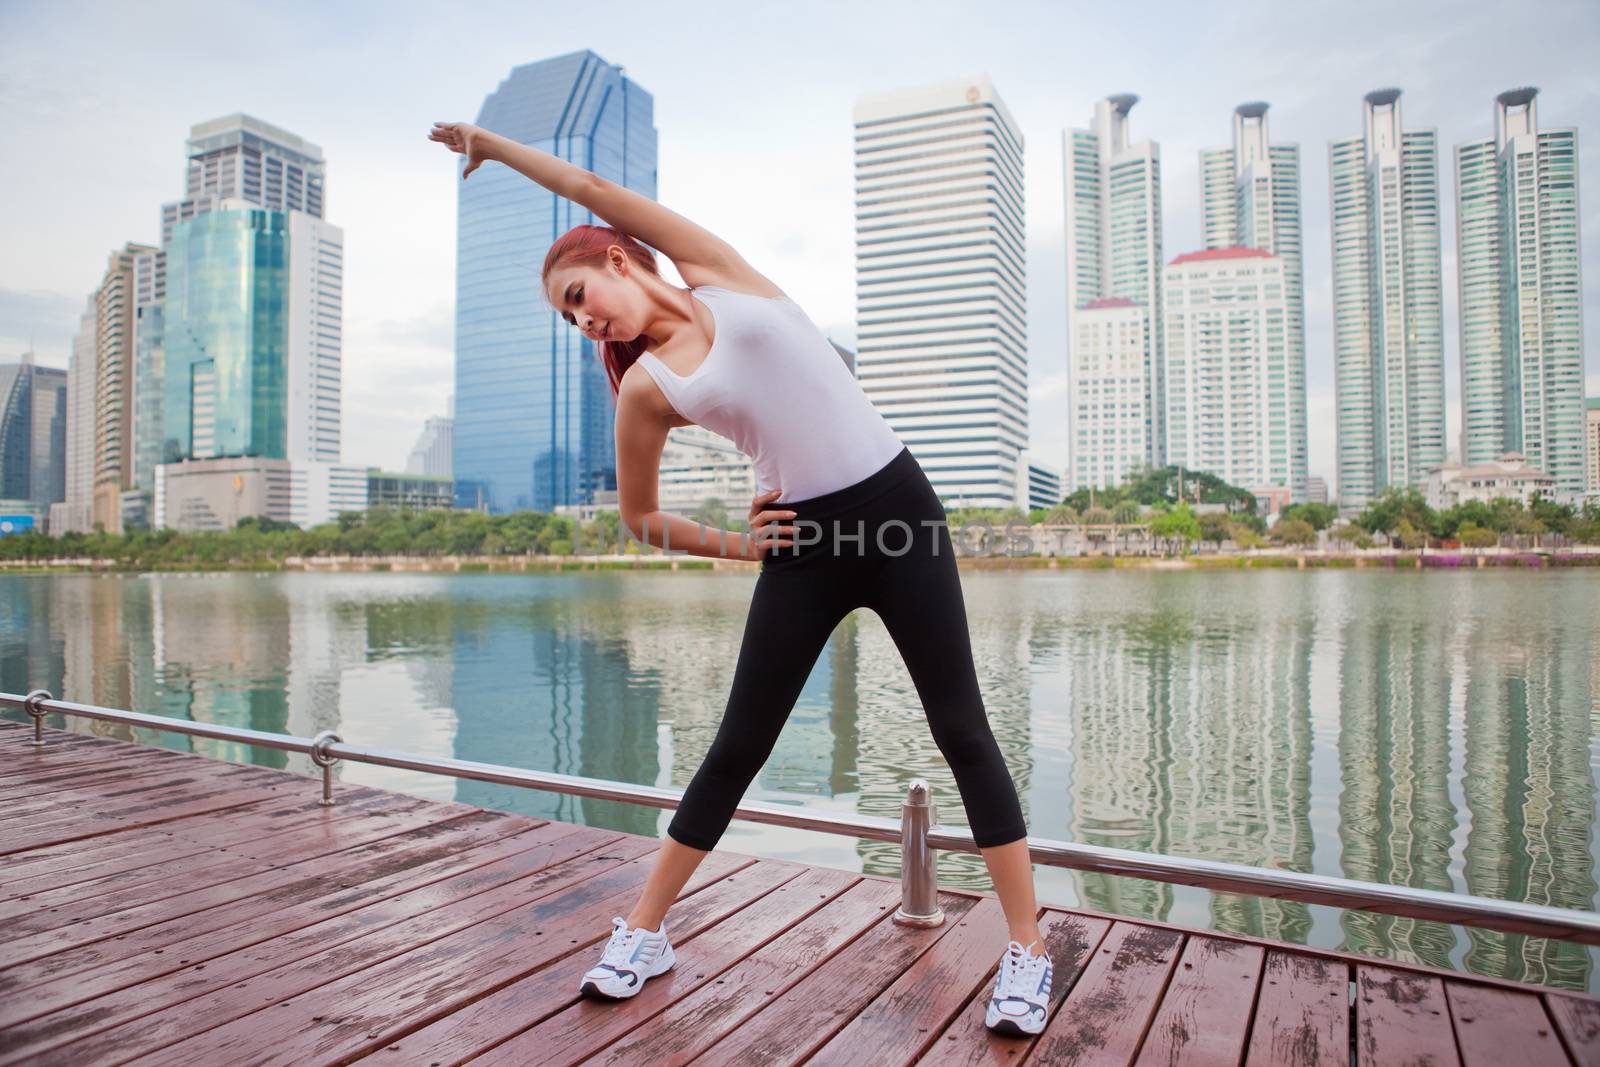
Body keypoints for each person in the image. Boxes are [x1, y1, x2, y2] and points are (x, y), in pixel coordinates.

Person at [428, 120, 1053, 1037]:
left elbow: (591, 182)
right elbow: (638, 520)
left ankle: (1029, 947)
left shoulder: (713, 269)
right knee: (737, 744)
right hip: (801, 544)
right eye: (568, 318)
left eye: (578, 294)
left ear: (614, 255)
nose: (582, 318)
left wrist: (496, 147)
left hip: (899, 513)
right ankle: (643, 932)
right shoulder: (647, 389)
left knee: (961, 726)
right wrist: (740, 545)